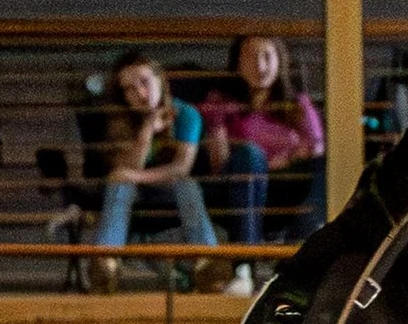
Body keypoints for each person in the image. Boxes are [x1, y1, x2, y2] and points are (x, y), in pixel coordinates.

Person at [200, 33, 326, 285]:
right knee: (249, 154)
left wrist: (284, 161)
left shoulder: (297, 104)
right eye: (250, 57)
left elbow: (316, 148)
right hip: (240, 190)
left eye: (267, 56)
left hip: (287, 192)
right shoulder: (222, 102)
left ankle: (293, 261)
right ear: (237, 64)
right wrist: (267, 161)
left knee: (323, 167)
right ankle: (244, 267)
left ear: (280, 61)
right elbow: (219, 164)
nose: (260, 66)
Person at [89, 51, 220, 280]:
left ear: (160, 80)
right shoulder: (120, 121)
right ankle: (106, 263)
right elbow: (126, 171)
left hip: (171, 190)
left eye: (144, 82)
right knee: (121, 188)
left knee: (185, 184)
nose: (140, 93)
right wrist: (148, 128)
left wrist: (133, 177)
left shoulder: (186, 114)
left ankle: (207, 260)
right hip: (136, 196)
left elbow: (181, 168)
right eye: (129, 89)